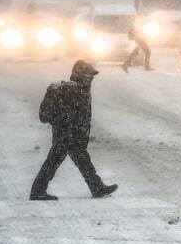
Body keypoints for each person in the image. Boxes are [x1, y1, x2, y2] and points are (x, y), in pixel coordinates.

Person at [30, 60, 118, 200]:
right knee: (55, 162)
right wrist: (67, 125)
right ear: (80, 74)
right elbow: (56, 115)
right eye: (89, 75)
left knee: (79, 161)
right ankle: (37, 191)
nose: (92, 78)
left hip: (72, 135)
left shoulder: (80, 90)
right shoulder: (70, 90)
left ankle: (97, 187)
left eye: (92, 76)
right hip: (67, 136)